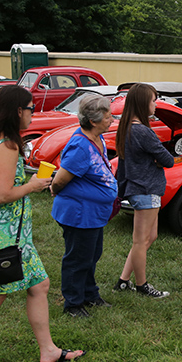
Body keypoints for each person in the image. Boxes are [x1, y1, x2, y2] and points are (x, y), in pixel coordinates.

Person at [0, 86, 85, 362]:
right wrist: (33, 185)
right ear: (18, 110)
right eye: (31, 107)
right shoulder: (7, 146)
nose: (33, 113)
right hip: (1, 238)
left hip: (14, 237)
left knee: (39, 285)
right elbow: (1, 195)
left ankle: (49, 351)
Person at [50, 95, 117, 318]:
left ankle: (90, 294)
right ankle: (73, 303)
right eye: (108, 116)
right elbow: (60, 179)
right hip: (79, 213)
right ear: (93, 121)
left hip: (94, 213)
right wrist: (55, 189)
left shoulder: (96, 138)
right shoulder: (80, 146)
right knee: (78, 258)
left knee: (92, 254)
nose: (111, 119)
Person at [114, 83, 174, 298]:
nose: (156, 104)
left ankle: (123, 280)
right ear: (142, 103)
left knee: (150, 237)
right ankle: (142, 285)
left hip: (141, 188)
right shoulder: (142, 130)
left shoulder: (127, 126)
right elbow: (168, 160)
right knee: (140, 241)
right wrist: (157, 160)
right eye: (153, 100)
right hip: (145, 189)